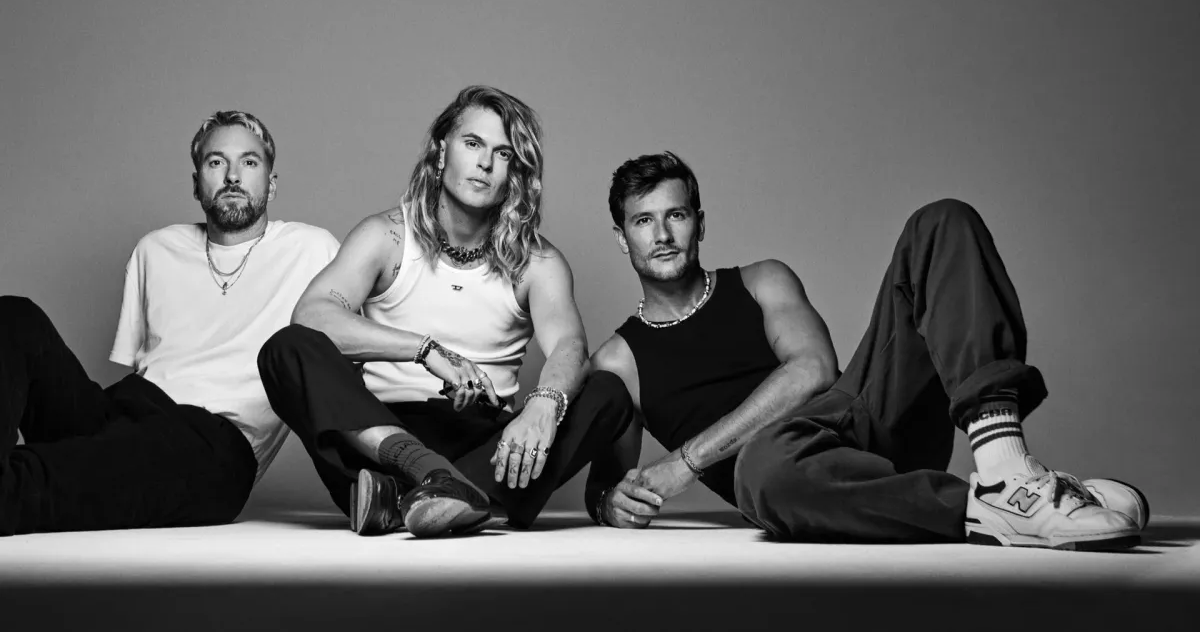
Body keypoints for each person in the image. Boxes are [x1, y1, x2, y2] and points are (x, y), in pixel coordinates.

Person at [588, 150, 1148, 550]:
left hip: (862, 423)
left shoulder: (760, 281)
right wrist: (610, 502)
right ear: (622, 236)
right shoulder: (618, 360)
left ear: (699, 223)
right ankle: (1007, 504)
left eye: (676, 215)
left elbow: (813, 370)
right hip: (805, 487)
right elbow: (606, 482)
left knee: (940, 220)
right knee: (760, 469)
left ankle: (1005, 468)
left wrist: (684, 462)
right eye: (643, 220)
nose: (662, 235)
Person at [258, 85, 633, 538]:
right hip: (380, 438)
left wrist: (544, 405)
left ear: (514, 172)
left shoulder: (538, 262)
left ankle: (405, 502)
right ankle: (436, 482)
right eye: (473, 144)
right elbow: (313, 315)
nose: (485, 163)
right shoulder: (386, 237)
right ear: (441, 152)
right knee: (285, 349)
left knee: (608, 391)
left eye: (503, 153)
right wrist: (426, 350)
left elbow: (570, 346)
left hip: (487, 447)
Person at [0, 111, 340, 535]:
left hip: (214, 444)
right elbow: (143, 368)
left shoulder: (313, 249)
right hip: (127, 411)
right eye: (216, 162)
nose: (233, 175)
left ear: (271, 184)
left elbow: (348, 360)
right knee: (13, 316)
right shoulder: (155, 249)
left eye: (249, 162)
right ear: (196, 183)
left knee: (31, 482)